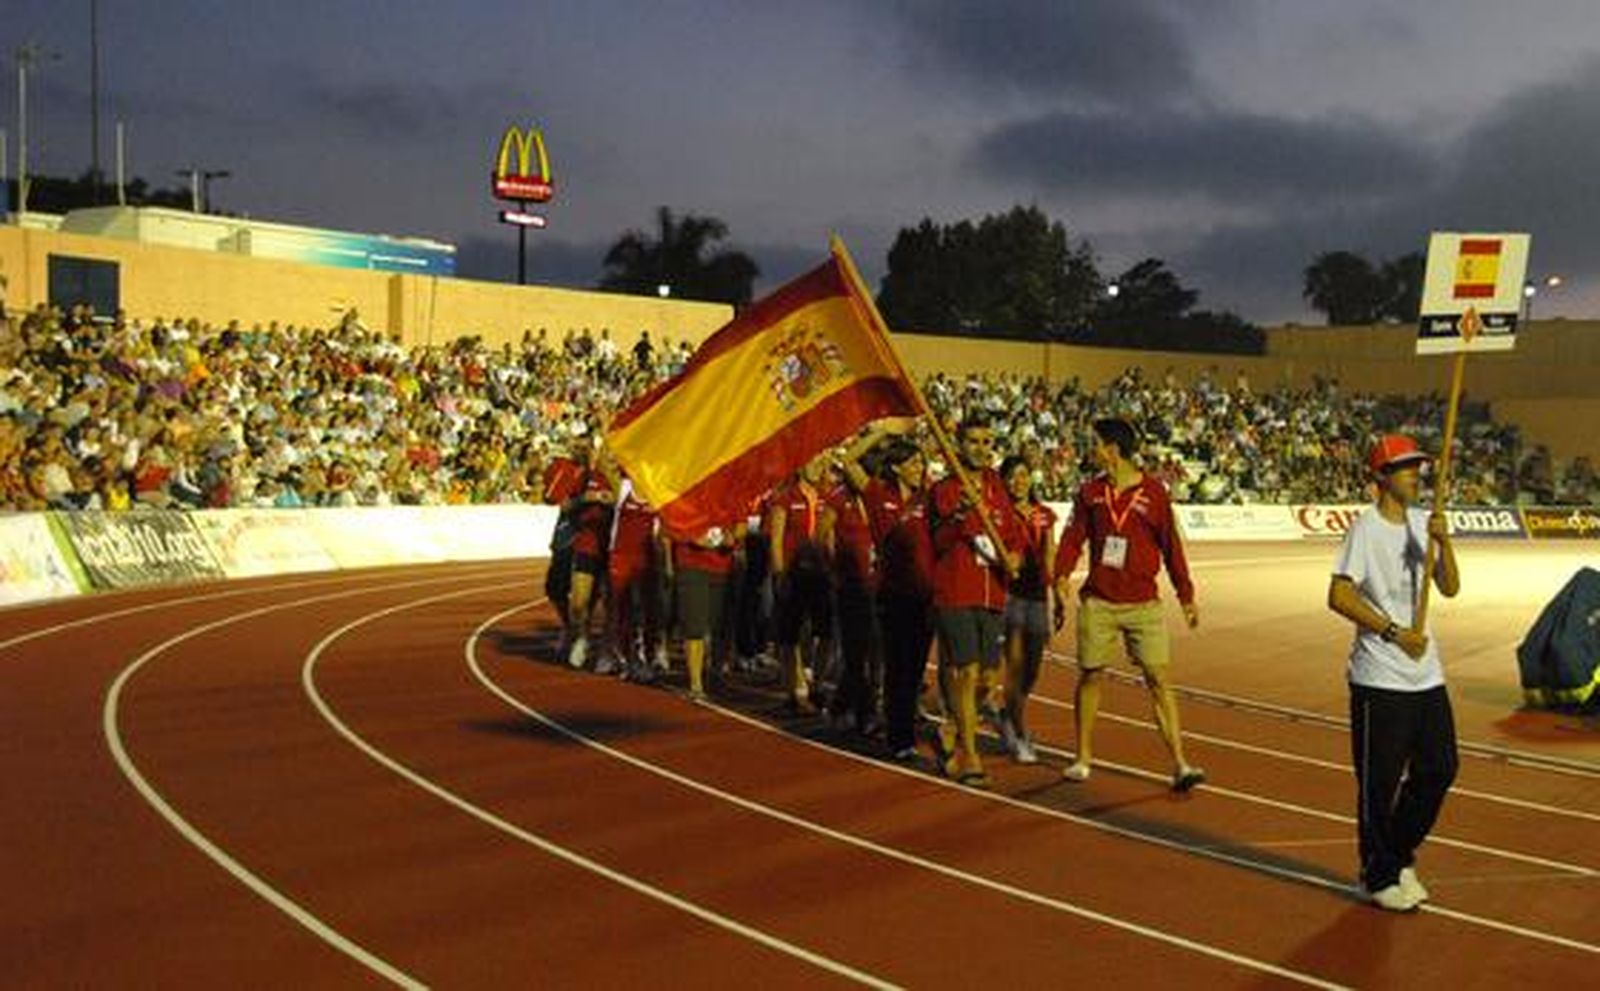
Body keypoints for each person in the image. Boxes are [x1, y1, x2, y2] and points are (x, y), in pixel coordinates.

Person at [1326, 433, 1460, 912]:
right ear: (1381, 476)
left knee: (1441, 768)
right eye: (1405, 468)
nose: (1416, 475)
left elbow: (1450, 587)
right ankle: (1378, 872)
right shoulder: (1364, 529)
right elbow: (1339, 595)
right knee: (1379, 785)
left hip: (1426, 675)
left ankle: (1397, 854)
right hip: (1378, 678)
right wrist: (1392, 632)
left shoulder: (1425, 523)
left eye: (1418, 467)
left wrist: (1443, 545)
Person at [1053, 417, 1204, 791]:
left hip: (1144, 605)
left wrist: (1186, 594)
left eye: (1096, 443)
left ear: (1113, 450)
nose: (1092, 449)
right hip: (1099, 602)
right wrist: (1060, 575)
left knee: (1159, 679)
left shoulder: (1154, 493)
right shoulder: (1090, 492)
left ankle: (1180, 763)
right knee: (1090, 675)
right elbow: (1073, 537)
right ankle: (1083, 757)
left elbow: (1172, 547)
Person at [929, 417, 1023, 786]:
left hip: (993, 594)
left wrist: (1015, 554)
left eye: (987, 441)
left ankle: (952, 725)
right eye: (973, 441)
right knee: (965, 673)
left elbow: (1013, 535)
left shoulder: (997, 488)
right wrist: (960, 513)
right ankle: (969, 754)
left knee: (987, 679)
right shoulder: (945, 490)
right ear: (959, 445)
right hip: (956, 591)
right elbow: (937, 542)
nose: (982, 448)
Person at [998, 454, 1057, 764]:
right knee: (1016, 666)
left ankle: (1008, 714)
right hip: (1009, 597)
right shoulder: (998, 512)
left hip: (1037, 598)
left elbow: (1051, 553)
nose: (1017, 481)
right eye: (1011, 476)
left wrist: (1057, 590)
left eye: (1023, 475)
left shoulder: (1044, 514)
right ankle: (1019, 734)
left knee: (1031, 670)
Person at [767, 458, 834, 712]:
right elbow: (776, 539)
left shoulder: (826, 497)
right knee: (791, 634)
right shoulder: (785, 497)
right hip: (794, 575)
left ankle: (816, 685)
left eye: (821, 462)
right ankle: (794, 690)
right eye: (812, 462)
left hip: (822, 575)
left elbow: (830, 537)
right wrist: (779, 574)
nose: (817, 467)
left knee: (824, 633)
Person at [671, 519, 742, 700]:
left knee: (720, 626)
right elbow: (673, 522)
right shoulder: (690, 494)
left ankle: (715, 673)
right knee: (695, 624)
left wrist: (732, 538)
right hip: (692, 564)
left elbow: (741, 525)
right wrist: (690, 536)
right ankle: (696, 684)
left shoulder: (730, 496)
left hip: (722, 567)